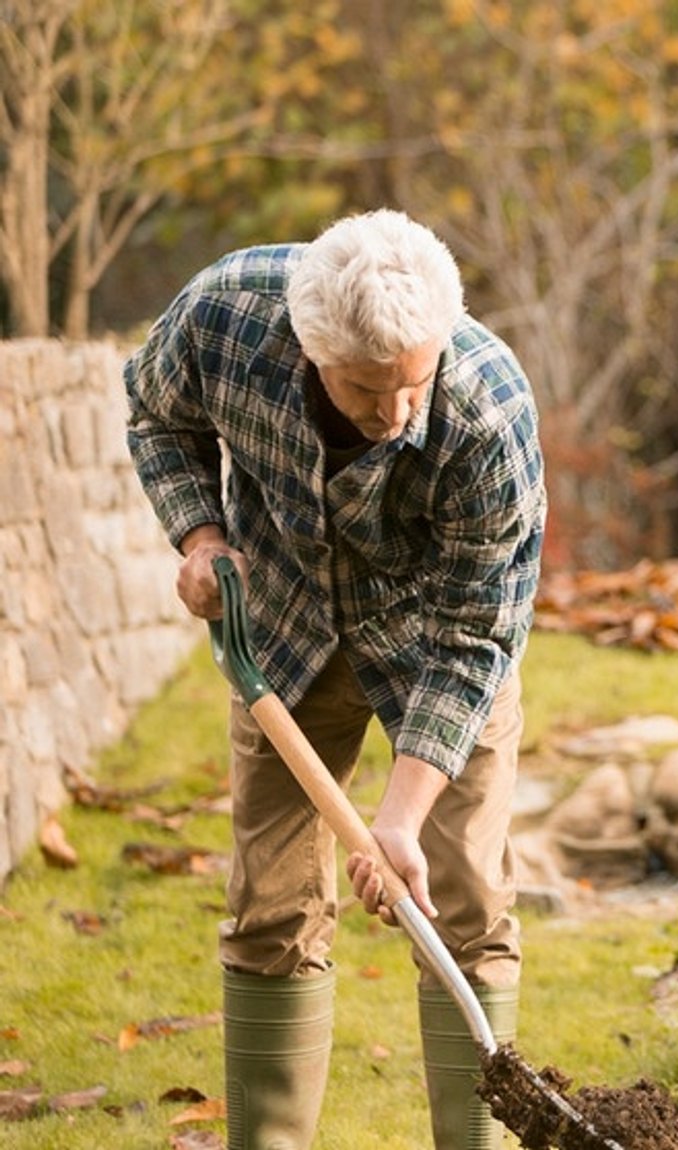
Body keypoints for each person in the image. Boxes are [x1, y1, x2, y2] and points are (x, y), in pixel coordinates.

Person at [124, 209, 546, 1150]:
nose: (398, 413)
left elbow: (478, 635)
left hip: (434, 648)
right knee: (270, 904)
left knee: (465, 898)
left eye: (415, 382)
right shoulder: (224, 319)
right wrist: (198, 533)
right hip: (279, 637)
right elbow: (156, 412)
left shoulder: (488, 412)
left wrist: (398, 815)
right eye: (368, 389)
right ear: (311, 349)